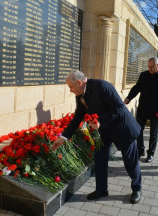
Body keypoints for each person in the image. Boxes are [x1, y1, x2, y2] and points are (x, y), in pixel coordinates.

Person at [52, 70, 142, 204]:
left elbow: (118, 107)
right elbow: (77, 118)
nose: (70, 91)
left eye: (71, 87)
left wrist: (100, 121)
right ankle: (101, 189)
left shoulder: (102, 86)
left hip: (122, 128)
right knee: (99, 159)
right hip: (104, 131)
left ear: (79, 82)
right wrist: (63, 137)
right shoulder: (80, 94)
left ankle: (137, 189)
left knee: (130, 161)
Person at [124, 57, 158, 163]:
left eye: (152, 67)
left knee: (153, 133)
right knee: (138, 130)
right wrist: (128, 98)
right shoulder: (144, 75)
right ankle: (140, 150)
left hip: (157, 111)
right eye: (148, 66)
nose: (149, 68)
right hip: (143, 109)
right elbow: (137, 88)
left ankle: (151, 154)